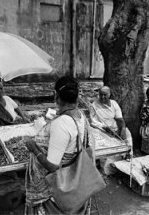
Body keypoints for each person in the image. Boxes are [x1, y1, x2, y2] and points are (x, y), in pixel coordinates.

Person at [24, 76, 94, 215]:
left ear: (57, 96)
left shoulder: (61, 124)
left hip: (56, 189)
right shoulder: (80, 116)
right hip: (75, 178)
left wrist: (33, 147)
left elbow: (52, 166)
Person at [88, 86, 132, 174]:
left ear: (109, 95)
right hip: (101, 129)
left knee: (126, 133)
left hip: (113, 127)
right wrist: (105, 127)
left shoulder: (114, 104)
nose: (103, 97)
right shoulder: (94, 105)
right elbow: (92, 122)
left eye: (105, 95)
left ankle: (128, 155)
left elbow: (119, 119)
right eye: (101, 95)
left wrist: (122, 128)